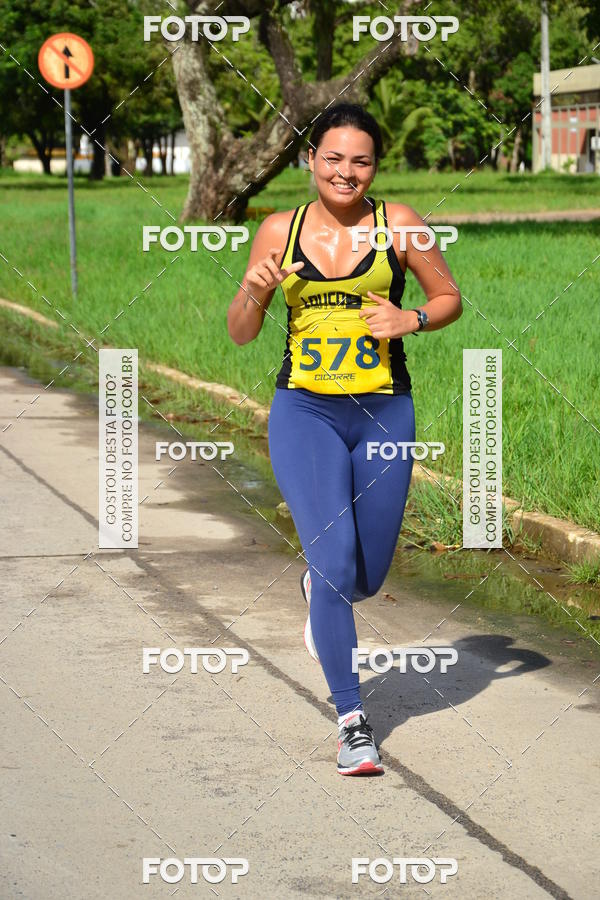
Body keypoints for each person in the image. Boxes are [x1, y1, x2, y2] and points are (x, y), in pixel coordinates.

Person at [227, 103, 462, 775]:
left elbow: (448, 297)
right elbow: (242, 330)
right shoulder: (279, 230)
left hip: (385, 416)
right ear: (310, 161)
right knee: (334, 562)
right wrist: (251, 289)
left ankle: (317, 587)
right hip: (306, 415)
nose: (345, 172)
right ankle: (353, 721)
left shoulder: (402, 225)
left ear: (374, 168)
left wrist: (409, 317)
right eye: (332, 158)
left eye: (360, 161)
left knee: (365, 575)